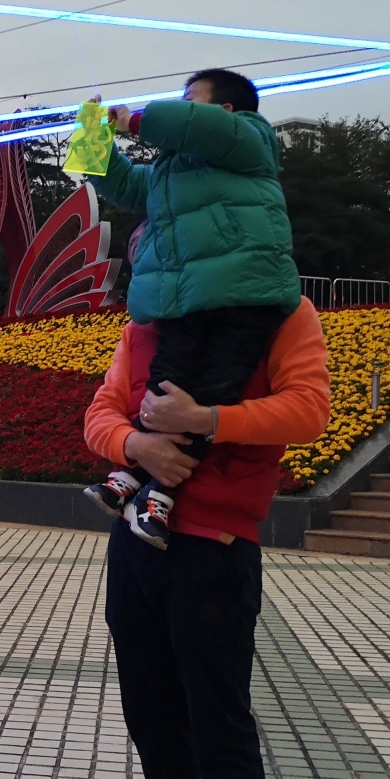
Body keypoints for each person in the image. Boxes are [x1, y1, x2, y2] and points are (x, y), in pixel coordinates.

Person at [82, 138, 330, 779]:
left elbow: (308, 410)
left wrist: (206, 422)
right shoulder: (147, 322)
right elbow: (100, 412)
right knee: (152, 715)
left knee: (217, 727)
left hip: (214, 550)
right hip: (138, 543)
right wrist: (137, 446)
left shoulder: (283, 313)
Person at [81, 69, 304, 549]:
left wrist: (135, 121)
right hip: (187, 299)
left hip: (248, 296)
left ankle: (160, 492)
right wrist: (92, 132)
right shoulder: (170, 174)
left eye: (189, 100)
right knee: (166, 387)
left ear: (226, 110)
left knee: (215, 394)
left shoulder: (250, 140)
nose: (180, 108)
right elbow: (120, 184)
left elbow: (198, 127)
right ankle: (132, 478)